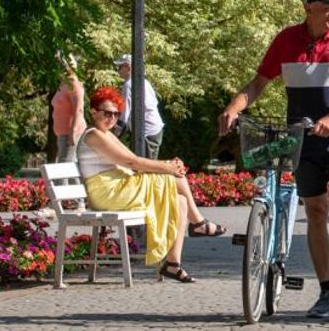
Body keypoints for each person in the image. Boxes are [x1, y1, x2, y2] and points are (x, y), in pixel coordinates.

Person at [218, 0, 329, 318]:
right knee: (314, 209)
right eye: (327, 7)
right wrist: (233, 108)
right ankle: (326, 291)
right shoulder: (286, 40)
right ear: (308, 8)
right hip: (302, 135)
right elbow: (258, 83)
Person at [78, 87, 223, 282]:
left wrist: (168, 164)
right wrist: (167, 167)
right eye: (107, 113)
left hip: (119, 187)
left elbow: (133, 160)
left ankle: (173, 264)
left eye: (116, 114)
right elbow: (131, 162)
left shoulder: (106, 134)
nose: (112, 118)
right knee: (175, 177)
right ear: (94, 112)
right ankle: (198, 223)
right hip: (108, 193)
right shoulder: (94, 135)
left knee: (180, 201)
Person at [115, 54, 164, 159]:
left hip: (146, 131)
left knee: (146, 165)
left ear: (128, 67)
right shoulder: (144, 82)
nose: (118, 70)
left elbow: (124, 114)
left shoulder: (129, 85)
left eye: (120, 67)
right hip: (154, 128)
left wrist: (114, 134)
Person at [51, 53, 86, 162]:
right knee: (66, 166)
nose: (58, 68)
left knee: (65, 166)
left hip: (70, 134)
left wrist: (73, 132)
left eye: (61, 65)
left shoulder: (73, 83)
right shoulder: (63, 84)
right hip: (63, 134)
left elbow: (79, 109)